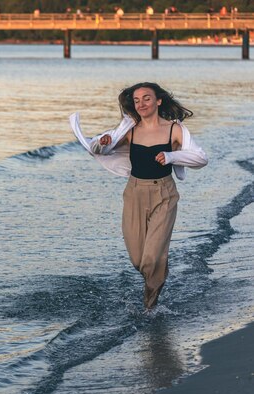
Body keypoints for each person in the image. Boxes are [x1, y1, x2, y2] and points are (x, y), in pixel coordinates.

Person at [69, 83, 208, 310]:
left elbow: (201, 158)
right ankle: (157, 272)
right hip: (134, 194)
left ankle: (149, 306)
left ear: (158, 101)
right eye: (137, 100)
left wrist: (172, 156)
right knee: (138, 260)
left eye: (147, 98)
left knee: (151, 259)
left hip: (164, 195)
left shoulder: (175, 130)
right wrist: (102, 143)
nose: (141, 104)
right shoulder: (130, 130)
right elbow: (102, 148)